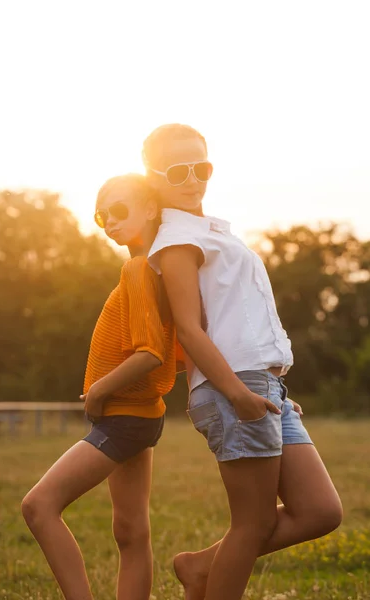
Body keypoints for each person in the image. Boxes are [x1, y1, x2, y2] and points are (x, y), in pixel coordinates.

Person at [142, 124, 343, 600]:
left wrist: (273, 389)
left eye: (202, 168)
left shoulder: (213, 232)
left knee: (320, 511)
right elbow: (190, 330)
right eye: (178, 171)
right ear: (153, 178)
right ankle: (200, 576)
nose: (193, 179)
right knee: (250, 525)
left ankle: (197, 568)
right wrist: (237, 392)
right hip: (233, 386)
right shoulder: (175, 242)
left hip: (265, 389)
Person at [21, 173, 178, 600]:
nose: (109, 221)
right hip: (144, 416)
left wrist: (99, 390)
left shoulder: (139, 268)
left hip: (125, 418)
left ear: (150, 208)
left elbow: (151, 354)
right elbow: (172, 350)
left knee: (38, 506)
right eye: (101, 215)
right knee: (131, 531)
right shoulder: (160, 268)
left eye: (119, 210)